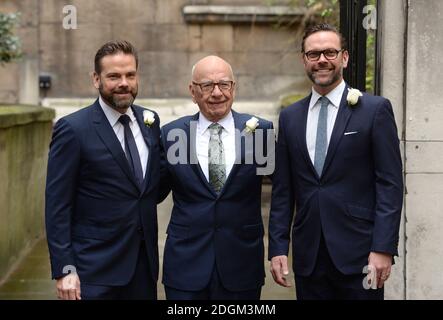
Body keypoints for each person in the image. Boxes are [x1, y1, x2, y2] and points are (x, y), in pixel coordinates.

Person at [268, 23, 403, 300]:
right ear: (304, 60)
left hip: (361, 256)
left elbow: (389, 184)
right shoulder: (290, 117)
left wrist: (383, 247)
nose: (322, 61)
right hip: (309, 258)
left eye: (329, 52)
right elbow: (283, 190)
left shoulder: (374, 110)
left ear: (344, 57)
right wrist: (279, 247)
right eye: (313, 54)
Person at [45, 40, 161, 300]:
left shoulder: (150, 122)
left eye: (130, 75)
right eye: (114, 76)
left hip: (144, 269)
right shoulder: (73, 129)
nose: (124, 83)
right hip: (93, 271)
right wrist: (65, 269)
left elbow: (151, 187)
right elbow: (57, 205)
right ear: (96, 79)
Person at [159, 55, 274, 300]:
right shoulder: (171, 135)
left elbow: (283, 192)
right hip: (185, 266)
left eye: (224, 84)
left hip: (242, 263)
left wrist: (278, 248)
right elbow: (152, 192)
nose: (217, 93)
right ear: (192, 90)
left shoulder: (260, 132)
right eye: (207, 85)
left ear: (234, 87)